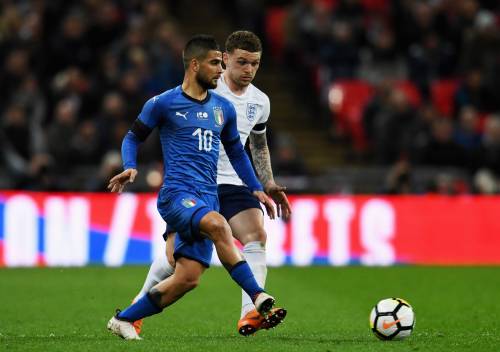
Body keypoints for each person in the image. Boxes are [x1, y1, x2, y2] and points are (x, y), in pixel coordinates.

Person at [106, 34, 280, 340]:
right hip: (178, 194)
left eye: (255, 63)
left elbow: (243, 150)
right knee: (214, 228)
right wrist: (129, 165)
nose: (245, 69)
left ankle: (126, 318)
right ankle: (257, 297)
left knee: (188, 277)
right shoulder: (164, 102)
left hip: (219, 192)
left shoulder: (228, 107)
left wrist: (259, 185)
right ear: (203, 63)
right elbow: (133, 135)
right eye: (227, 62)